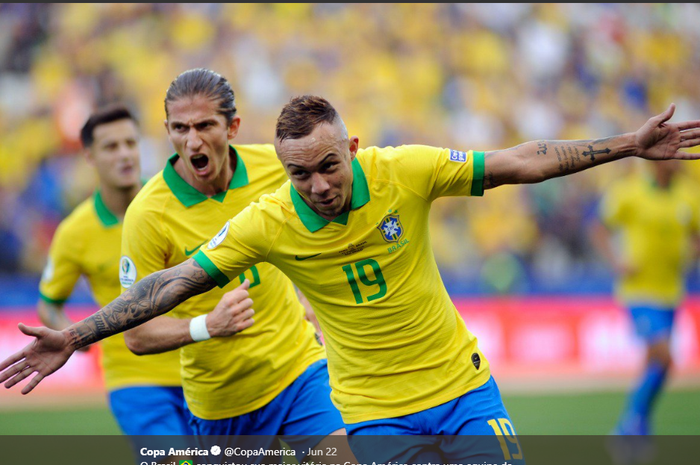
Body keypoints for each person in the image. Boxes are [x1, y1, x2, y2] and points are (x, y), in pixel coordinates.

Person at [3, 96, 700, 463]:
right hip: (370, 413)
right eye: (299, 173)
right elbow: (173, 283)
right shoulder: (269, 219)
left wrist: (628, 145)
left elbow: (524, 161)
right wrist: (77, 333)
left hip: (462, 388)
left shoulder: (407, 170)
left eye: (329, 166)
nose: (317, 185)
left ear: (354, 150)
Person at [111, 69, 347, 456]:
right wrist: (208, 326)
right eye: (180, 128)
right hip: (222, 404)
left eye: (205, 125)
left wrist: (311, 294)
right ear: (166, 130)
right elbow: (136, 334)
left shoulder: (277, 169)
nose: (192, 140)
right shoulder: (148, 214)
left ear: (233, 126)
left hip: (301, 371)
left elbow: (320, 225)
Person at [36, 105, 191, 435]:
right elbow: (48, 302)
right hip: (133, 378)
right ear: (89, 157)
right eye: (111, 147)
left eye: (131, 143)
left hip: (203, 366)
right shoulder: (75, 231)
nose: (125, 155)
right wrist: (71, 335)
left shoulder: (175, 199)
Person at [590, 159, 700, 437]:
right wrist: (616, 261)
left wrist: (691, 254)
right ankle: (630, 424)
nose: (680, 158)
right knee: (663, 356)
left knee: (658, 365)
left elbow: (697, 234)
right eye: (673, 154)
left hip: (672, 291)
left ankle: (637, 425)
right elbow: (599, 228)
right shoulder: (630, 192)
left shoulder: (689, 193)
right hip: (639, 291)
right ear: (657, 162)